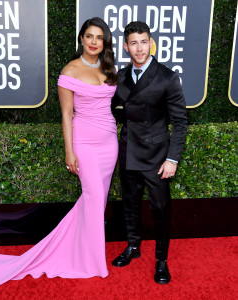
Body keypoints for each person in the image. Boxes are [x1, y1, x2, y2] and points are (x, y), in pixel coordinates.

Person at [0, 17, 118, 292]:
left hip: (110, 143)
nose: (94, 42)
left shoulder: (109, 68)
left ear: (105, 41)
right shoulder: (69, 71)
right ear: (81, 39)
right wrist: (69, 152)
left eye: (99, 37)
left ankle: (80, 250)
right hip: (85, 144)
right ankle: (93, 262)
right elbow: (66, 114)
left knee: (96, 202)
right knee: (93, 199)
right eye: (89, 36)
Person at [111, 21, 188, 284]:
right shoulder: (120, 76)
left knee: (160, 209)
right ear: (126, 46)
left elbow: (180, 121)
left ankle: (162, 260)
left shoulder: (167, 77)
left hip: (156, 158)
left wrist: (172, 159)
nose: (139, 48)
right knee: (130, 204)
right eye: (134, 42)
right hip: (129, 150)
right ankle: (133, 246)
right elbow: (110, 110)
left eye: (144, 42)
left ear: (151, 43)